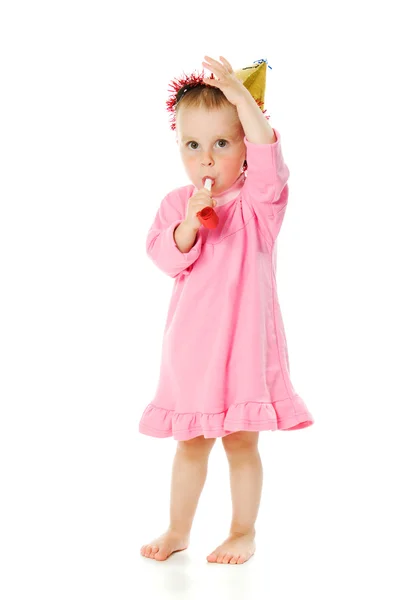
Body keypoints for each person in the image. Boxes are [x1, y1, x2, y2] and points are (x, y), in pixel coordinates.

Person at [139, 55, 314, 565]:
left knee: (241, 443)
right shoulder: (177, 204)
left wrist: (242, 99)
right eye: (193, 146)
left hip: (244, 348)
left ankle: (243, 531)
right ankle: (178, 529)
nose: (207, 159)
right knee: (190, 444)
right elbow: (164, 257)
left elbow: (269, 158)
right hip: (192, 350)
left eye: (223, 142)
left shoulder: (261, 202)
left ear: (243, 146)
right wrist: (190, 225)